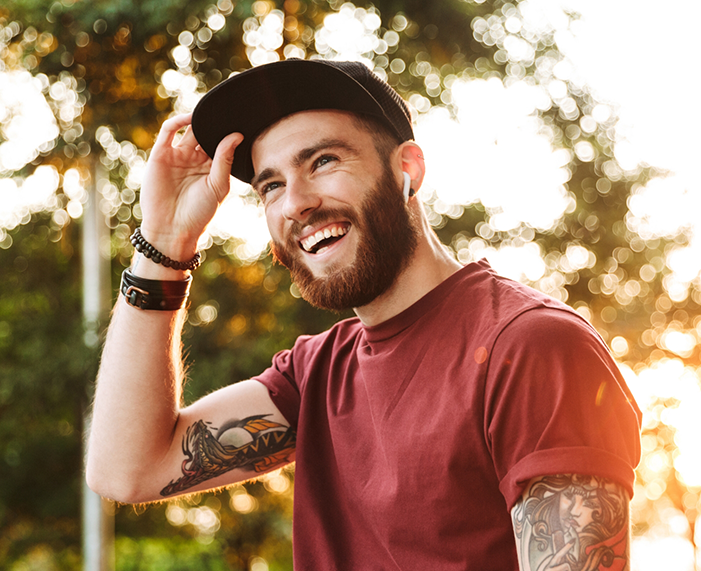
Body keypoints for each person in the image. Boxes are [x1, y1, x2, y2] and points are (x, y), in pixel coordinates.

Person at [86, 59, 641, 571]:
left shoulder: (529, 346)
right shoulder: (317, 374)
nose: (295, 203)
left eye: (323, 161)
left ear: (408, 169)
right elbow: (128, 468)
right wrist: (163, 244)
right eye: (271, 185)